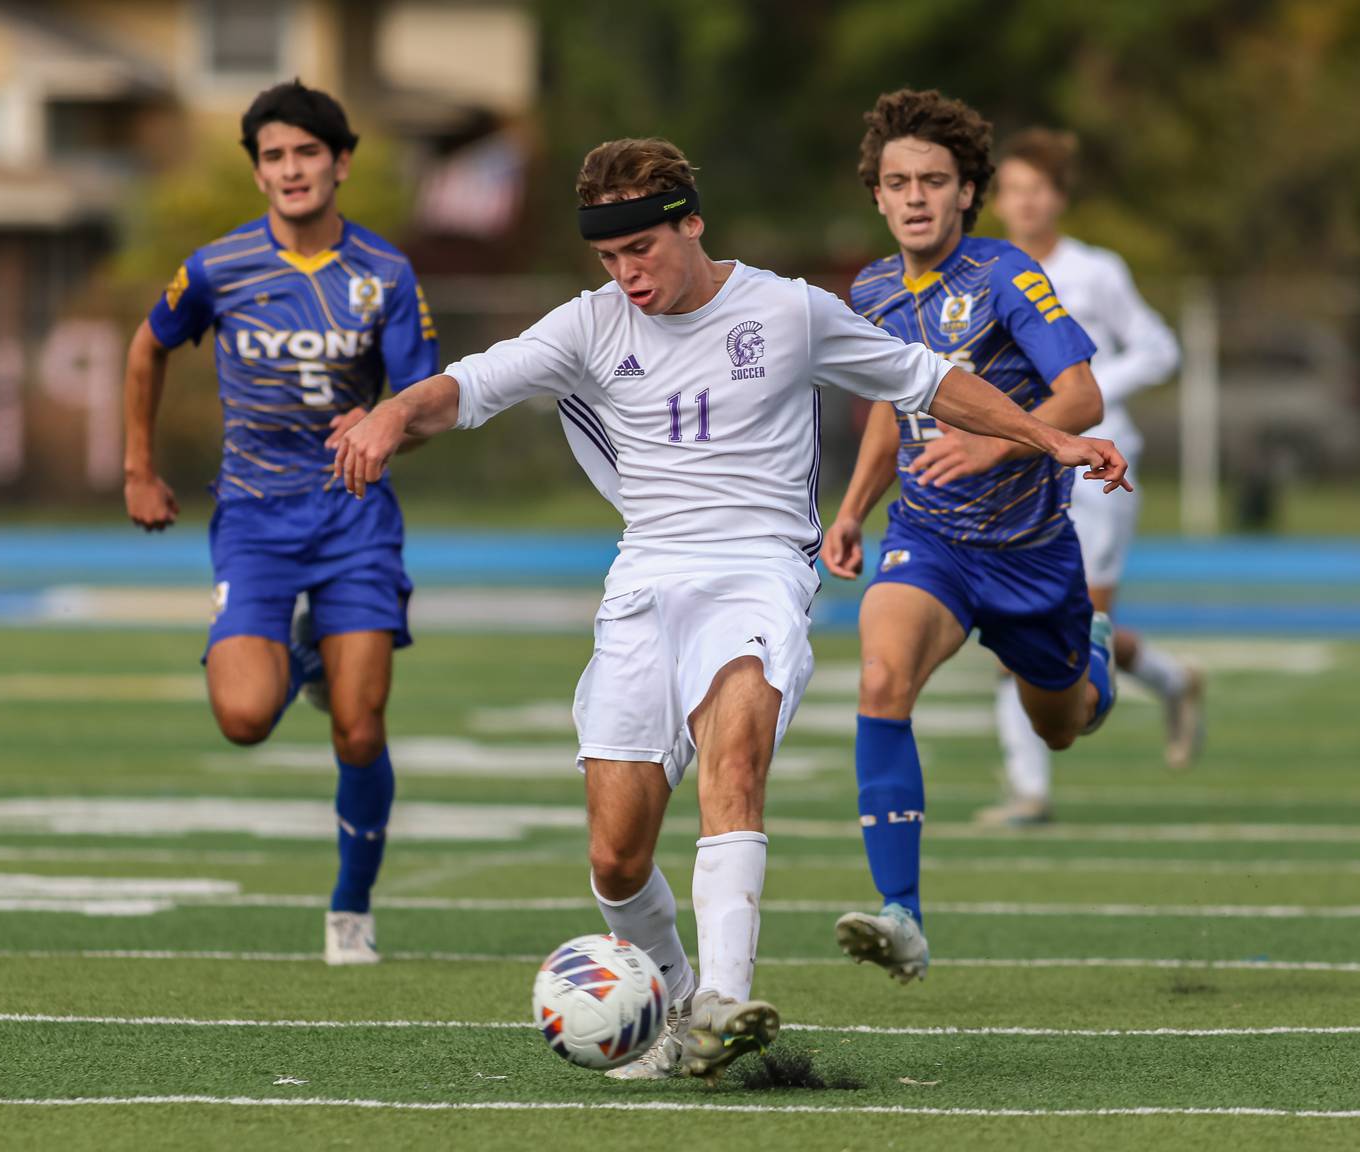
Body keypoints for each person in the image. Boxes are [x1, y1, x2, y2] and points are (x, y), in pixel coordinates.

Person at [333, 136, 1129, 1080]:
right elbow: (468, 386)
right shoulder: (587, 326)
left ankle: (720, 997)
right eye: (610, 258)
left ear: (690, 223)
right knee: (617, 858)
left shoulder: (789, 310)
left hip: (759, 573)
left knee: (735, 756)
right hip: (644, 582)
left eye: (643, 251)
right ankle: (673, 1005)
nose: (628, 274)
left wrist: (1045, 435)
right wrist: (389, 416)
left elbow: (926, 381)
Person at [122, 81, 439, 966]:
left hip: (353, 520)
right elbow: (148, 345)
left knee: (360, 729)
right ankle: (304, 652)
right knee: (244, 719)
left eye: (307, 153)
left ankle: (350, 909)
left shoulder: (385, 274)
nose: (291, 170)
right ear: (257, 172)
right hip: (256, 521)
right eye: (273, 156)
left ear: (340, 162)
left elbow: (418, 403)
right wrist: (139, 468)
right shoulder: (220, 266)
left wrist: (385, 432)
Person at [820, 88, 1128, 986]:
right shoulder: (871, 291)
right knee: (881, 677)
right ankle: (901, 915)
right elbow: (890, 403)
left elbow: (1081, 396)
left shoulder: (1005, 274)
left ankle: (1093, 660)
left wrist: (991, 442)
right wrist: (854, 508)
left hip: (1031, 552)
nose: (915, 197)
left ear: (967, 193)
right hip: (931, 541)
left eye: (935, 181)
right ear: (877, 196)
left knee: (1061, 725)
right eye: (897, 182)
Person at [979, 127, 1204, 825]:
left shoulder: (1095, 270)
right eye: (1011, 190)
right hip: (1021, 467)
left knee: (1084, 630)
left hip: (1099, 465)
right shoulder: (982, 269)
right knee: (1012, 625)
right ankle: (1031, 790)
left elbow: (1160, 347)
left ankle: (1169, 680)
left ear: (1060, 198)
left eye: (1037, 190)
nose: (1024, 204)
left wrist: (1084, 387)